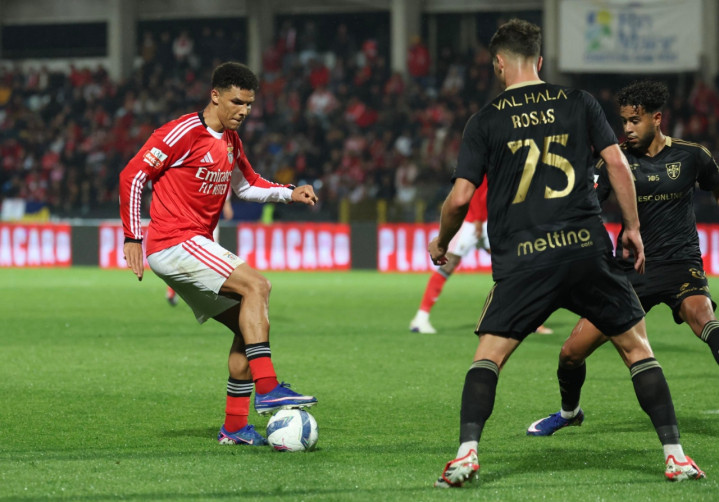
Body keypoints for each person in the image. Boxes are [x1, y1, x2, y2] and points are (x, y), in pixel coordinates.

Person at [428, 19, 703, 488]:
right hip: (585, 250)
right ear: (539, 60)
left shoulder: (485, 120)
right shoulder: (579, 101)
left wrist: (441, 241)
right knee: (636, 349)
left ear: (498, 64)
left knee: (488, 357)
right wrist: (633, 228)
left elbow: (459, 199)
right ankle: (676, 457)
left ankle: (465, 455)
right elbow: (617, 164)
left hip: (524, 257)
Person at [120, 62, 319, 447]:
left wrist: (289, 193)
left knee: (247, 326)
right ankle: (269, 388)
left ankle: (234, 427)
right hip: (175, 241)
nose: (244, 111)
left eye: (249, 104)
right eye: (237, 102)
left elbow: (247, 185)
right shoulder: (181, 133)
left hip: (189, 244)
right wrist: (132, 236)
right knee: (258, 286)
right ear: (215, 95)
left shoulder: (231, 140)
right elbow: (133, 175)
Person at [527, 81, 719, 449]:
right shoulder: (614, 161)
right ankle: (569, 413)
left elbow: (716, 186)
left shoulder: (693, 156)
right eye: (624, 121)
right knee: (570, 353)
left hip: (680, 265)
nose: (627, 128)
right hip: (630, 273)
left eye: (635, 120)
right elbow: (586, 206)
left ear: (656, 118)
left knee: (706, 321)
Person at [409, 182, 553, 335]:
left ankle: (533, 321)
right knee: (448, 264)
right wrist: (478, 218)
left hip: (488, 221)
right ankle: (421, 318)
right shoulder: (486, 166)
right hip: (470, 222)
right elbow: (474, 188)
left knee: (513, 264)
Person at [166, 196, 233, 306]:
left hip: (196, 219)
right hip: (205, 222)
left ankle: (174, 288)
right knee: (210, 257)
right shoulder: (223, 185)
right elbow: (228, 211)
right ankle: (211, 292)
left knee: (192, 258)